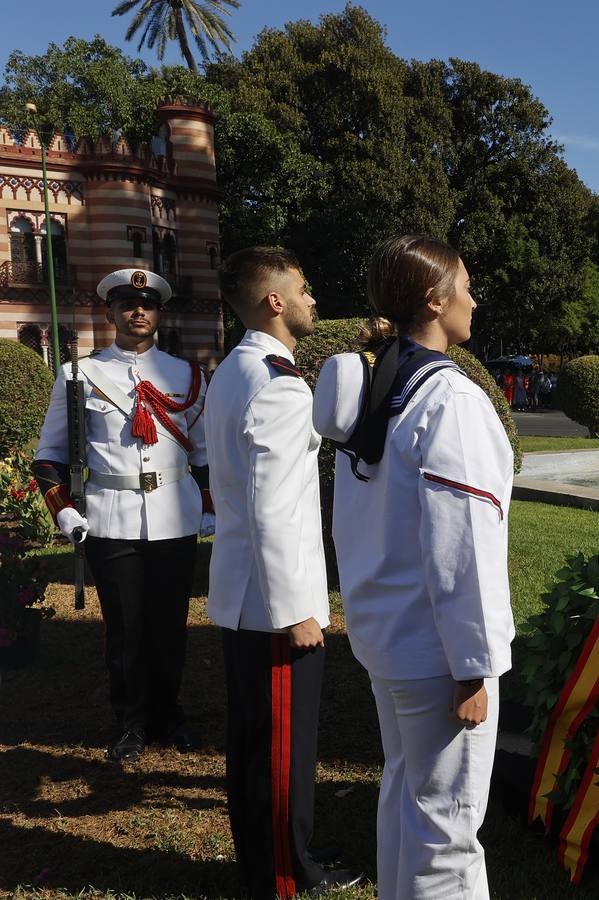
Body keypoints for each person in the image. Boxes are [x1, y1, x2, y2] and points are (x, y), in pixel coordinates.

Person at [313, 235, 513, 900]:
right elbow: (464, 547)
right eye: (465, 286)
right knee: (447, 837)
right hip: (436, 653)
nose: (474, 301)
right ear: (435, 300)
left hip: (389, 641)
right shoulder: (449, 399)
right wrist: (474, 664)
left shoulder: (380, 386)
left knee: (406, 799)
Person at [205, 247, 354, 898]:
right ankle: (284, 878)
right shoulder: (278, 383)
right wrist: (297, 607)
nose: (312, 300)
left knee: (254, 745)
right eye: (303, 288)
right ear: (275, 301)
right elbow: (271, 506)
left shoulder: (236, 370)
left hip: (244, 595)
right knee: (281, 752)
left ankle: (266, 864)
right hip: (274, 603)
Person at [32, 267, 211, 762]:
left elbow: (205, 455)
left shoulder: (186, 375)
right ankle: (130, 721)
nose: (138, 312)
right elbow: (49, 456)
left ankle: (169, 713)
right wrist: (64, 511)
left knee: (171, 623)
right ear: (110, 311)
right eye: (128, 304)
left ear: (158, 313)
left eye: (147, 304)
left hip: (174, 515)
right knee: (126, 626)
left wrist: (211, 506)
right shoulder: (79, 376)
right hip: (111, 518)